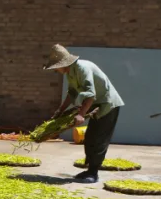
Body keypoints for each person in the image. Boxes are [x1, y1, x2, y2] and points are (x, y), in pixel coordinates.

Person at [43, 44, 124, 184]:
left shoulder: (82, 68)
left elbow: (90, 94)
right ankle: (89, 170)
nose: (56, 70)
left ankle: (94, 173)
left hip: (108, 105)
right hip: (96, 106)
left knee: (98, 139)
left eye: (56, 67)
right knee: (90, 137)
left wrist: (81, 114)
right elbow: (72, 93)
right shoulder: (70, 73)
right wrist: (60, 111)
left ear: (64, 64)